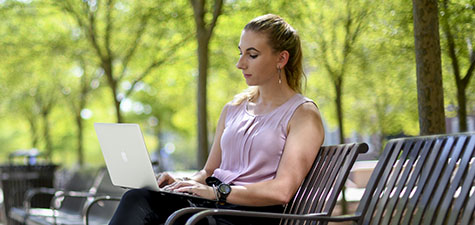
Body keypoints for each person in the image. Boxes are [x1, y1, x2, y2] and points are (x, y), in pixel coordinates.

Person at [108, 14, 324, 225]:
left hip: (250, 214)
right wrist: (185, 183)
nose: (240, 64)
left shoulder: (303, 114)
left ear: (281, 58)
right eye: (240, 53)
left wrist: (216, 192)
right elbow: (209, 172)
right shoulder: (234, 109)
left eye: (252, 55)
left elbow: (282, 190)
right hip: (211, 205)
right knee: (139, 197)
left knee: (171, 216)